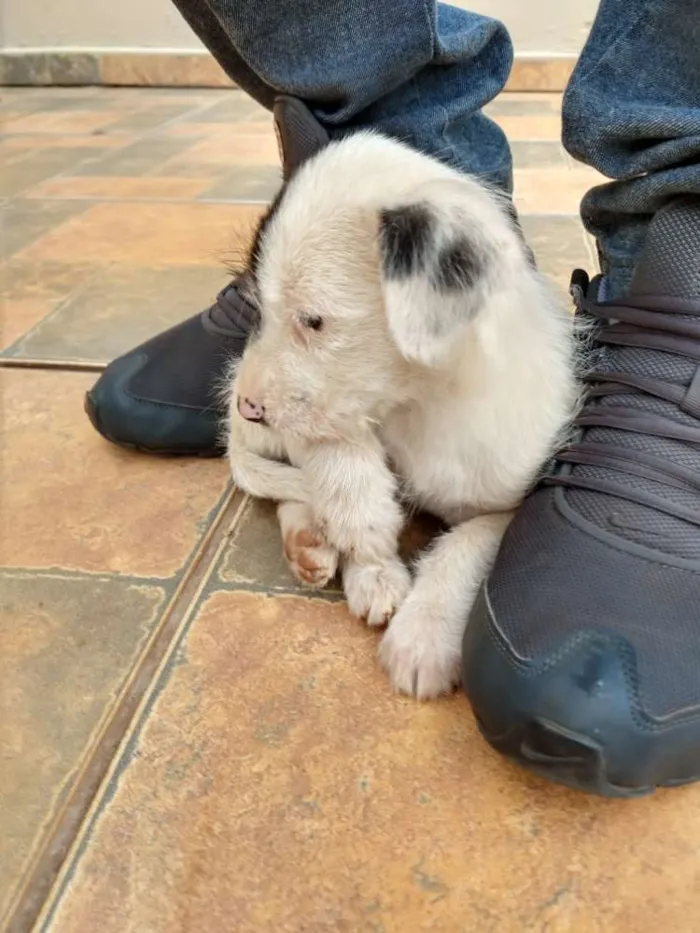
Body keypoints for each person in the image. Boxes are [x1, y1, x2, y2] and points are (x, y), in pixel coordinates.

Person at [85, 0, 700, 797]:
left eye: (311, 320)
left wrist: (444, 585)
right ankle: (373, 141)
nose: (254, 395)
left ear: (440, 287)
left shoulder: (508, 387)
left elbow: (502, 503)